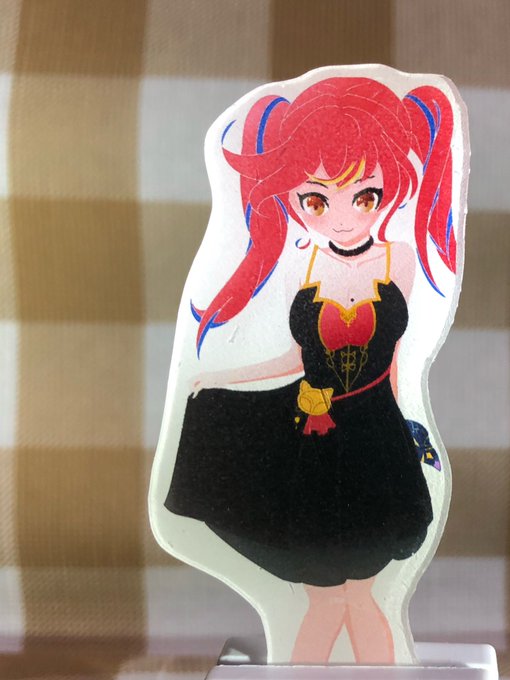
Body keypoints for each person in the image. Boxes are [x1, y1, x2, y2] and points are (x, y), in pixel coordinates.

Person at [164, 76, 457, 663]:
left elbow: (398, 360)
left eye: (364, 196)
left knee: (362, 595)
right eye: (316, 201)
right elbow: (296, 359)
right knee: (325, 598)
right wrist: (217, 381)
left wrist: (411, 430)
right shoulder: (305, 268)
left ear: (390, 190)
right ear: (294, 200)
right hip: (313, 439)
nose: (341, 217)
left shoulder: (398, 262)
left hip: (374, 440)